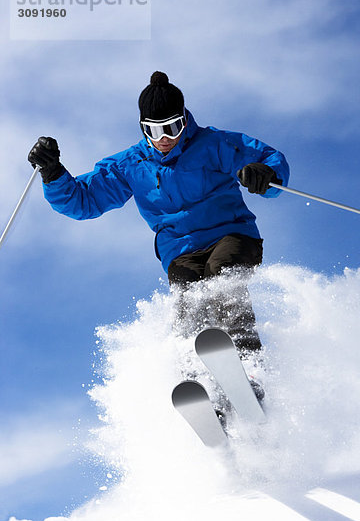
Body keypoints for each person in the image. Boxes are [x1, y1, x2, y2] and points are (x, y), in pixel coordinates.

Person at [28, 71, 289, 357]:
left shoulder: (214, 144)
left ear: (185, 121)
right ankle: (196, 372)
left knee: (221, 274)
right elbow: (84, 201)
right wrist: (52, 172)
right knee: (189, 296)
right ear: (142, 128)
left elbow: (268, 160)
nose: (164, 138)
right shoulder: (130, 164)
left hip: (231, 234)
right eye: (154, 130)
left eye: (172, 127)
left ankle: (247, 361)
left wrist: (266, 175)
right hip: (180, 250)